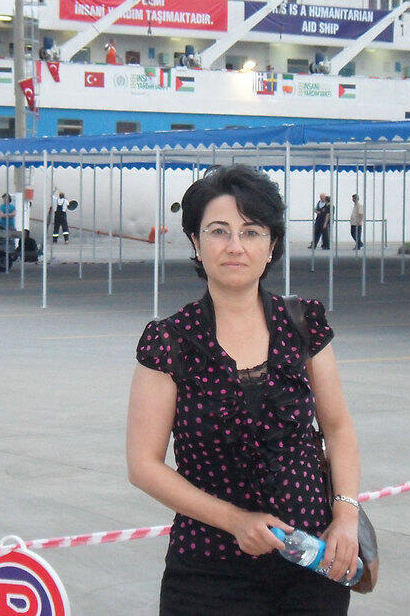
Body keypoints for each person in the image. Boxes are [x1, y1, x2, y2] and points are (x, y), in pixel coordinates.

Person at [127, 165, 361, 616]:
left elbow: (338, 426)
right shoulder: (169, 341)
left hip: (314, 562)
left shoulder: (302, 322)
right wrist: (236, 521)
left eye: (251, 232)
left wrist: (346, 517)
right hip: (209, 573)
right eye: (219, 231)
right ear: (196, 241)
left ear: (271, 244)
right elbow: (143, 465)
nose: (235, 246)